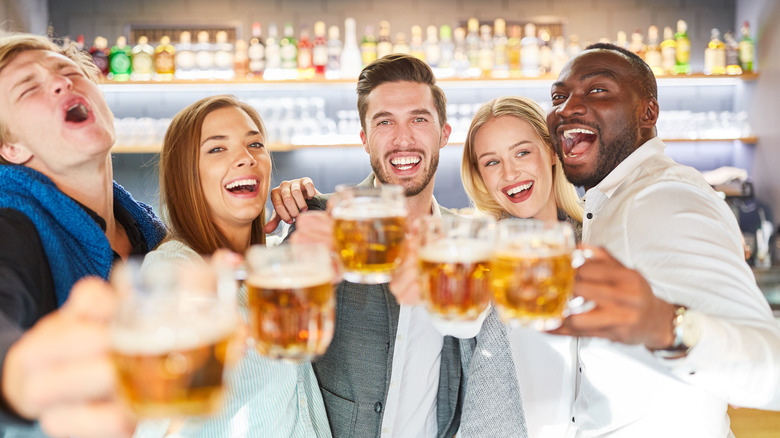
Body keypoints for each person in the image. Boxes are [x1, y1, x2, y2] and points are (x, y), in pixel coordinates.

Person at [546, 43, 780, 435]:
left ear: (648, 112)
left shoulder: (664, 199)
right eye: (558, 96)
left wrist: (668, 327)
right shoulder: (610, 200)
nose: (567, 107)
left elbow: (771, 368)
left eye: (597, 90)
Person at [283, 54, 464, 438]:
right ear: (364, 139)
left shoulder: (464, 242)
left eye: (419, 119)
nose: (403, 139)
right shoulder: (322, 217)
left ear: (444, 133)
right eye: (385, 122)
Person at [136, 95, 331, 437]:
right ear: (186, 175)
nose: (246, 158)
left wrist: (311, 208)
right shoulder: (174, 271)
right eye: (217, 149)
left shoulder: (271, 265)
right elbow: (152, 423)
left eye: (255, 143)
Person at [0, 33, 166, 437]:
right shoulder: (13, 225)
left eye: (68, 71)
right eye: (28, 88)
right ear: (11, 148)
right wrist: (18, 377)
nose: (61, 83)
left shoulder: (145, 229)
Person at [391, 96, 584, 437]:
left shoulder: (597, 238)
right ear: (480, 176)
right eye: (492, 162)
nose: (510, 174)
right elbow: (461, 321)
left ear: (552, 152)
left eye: (522, 153)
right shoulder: (480, 251)